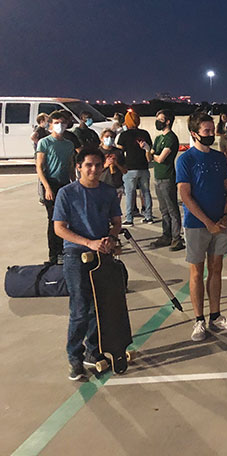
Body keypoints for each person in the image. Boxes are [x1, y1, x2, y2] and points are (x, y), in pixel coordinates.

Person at [52, 147, 123, 381]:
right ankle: (74, 357)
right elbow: (59, 228)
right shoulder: (67, 193)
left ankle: (93, 351)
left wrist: (111, 238)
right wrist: (87, 242)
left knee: (99, 307)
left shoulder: (108, 192)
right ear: (78, 167)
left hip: (102, 254)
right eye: (88, 165)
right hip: (76, 256)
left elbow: (116, 222)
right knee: (80, 309)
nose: (94, 169)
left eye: (97, 165)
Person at [176, 111, 227, 342]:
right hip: (197, 224)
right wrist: (207, 222)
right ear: (194, 133)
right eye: (206, 131)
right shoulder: (185, 160)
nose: (211, 134)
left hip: (220, 222)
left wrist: (225, 215)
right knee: (196, 271)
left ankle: (215, 315)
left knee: (216, 269)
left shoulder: (218, 158)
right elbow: (185, 195)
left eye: (211, 129)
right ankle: (198, 320)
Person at [36, 111, 76, 264]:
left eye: (63, 123)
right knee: (53, 219)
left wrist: (75, 184)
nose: (60, 126)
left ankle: (65, 249)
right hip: (51, 182)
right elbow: (39, 167)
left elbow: (70, 166)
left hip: (64, 184)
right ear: (50, 125)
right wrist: (47, 187)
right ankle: (54, 254)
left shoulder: (68, 144)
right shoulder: (44, 143)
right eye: (56, 123)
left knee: (65, 218)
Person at [150, 109, 184, 251]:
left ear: (168, 121)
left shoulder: (171, 138)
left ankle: (176, 238)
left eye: (161, 119)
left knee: (172, 208)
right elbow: (151, 156)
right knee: (163, 209)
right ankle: (166, 234)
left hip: (167, 177)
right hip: (158, 176)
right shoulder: (158, 139)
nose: (158, 121)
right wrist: (150, 152)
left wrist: (151, 153)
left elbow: (160, 158)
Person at [116, 110, 154, 225]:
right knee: (146, 192)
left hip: (130, 168)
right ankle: (148, 216)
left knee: (130, 194)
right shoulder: (145, 134)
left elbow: (120, 151)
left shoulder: (124, 135)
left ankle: (129, 218)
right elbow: (149, 149)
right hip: (143, 167)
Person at [98, 128, 126, 201]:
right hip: (102, 184)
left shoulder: (118, 152)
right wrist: (105, 165)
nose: (109, 139)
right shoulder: (97, 152)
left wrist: (116, 163)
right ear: (101, 138)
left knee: (115, 209)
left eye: (112, 137)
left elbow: (125, 170)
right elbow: (94, 170)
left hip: (116, 184)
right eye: (107, 137)